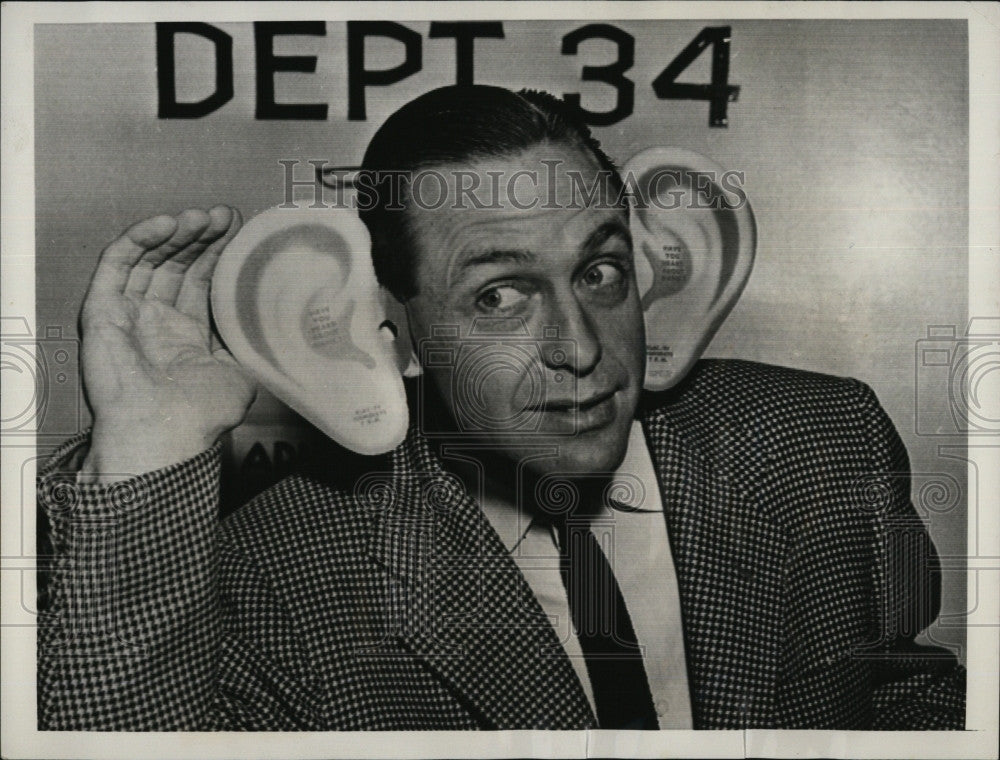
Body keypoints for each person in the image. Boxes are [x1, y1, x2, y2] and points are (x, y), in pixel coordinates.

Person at [36, 85, 965, 730]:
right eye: (499, 296)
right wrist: (148, 451)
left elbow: (906, 706)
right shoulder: (284, 558)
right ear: (388, 329)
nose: (580, 347)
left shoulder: (817, 443)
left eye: (599, 271)